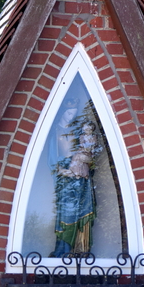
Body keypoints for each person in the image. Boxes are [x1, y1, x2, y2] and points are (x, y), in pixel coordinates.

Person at [48, 101, 98, 257]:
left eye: (74, 114)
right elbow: (52, 158)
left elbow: (90, 155)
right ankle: (63, 250)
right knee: (66, 212)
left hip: (80, 178)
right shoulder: (55, 131)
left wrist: (85, 160)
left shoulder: (78, 133)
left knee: (81, 211)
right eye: (69, 113)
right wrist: (61, 170)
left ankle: (79, 249)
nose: (71, 117)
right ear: (62, 112)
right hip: (65, 180)